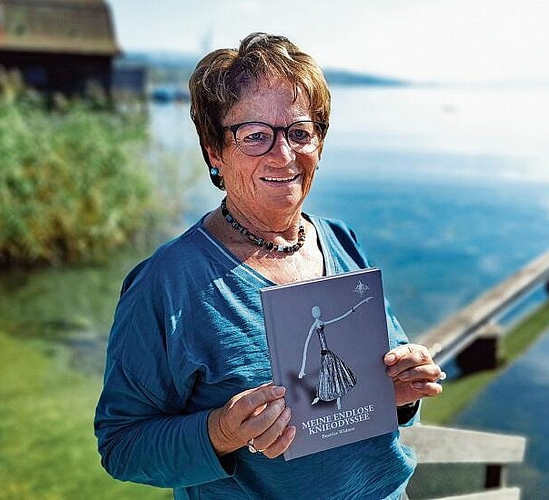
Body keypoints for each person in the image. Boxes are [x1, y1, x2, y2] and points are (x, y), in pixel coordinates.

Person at [94, 32, 444, 500]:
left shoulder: (340, 241)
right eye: (255, 136)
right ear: (215, 150)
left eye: (300, 132)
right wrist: (219, 432)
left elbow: (382, 384)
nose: (283, 155)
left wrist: (401, 392)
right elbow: (121, 446)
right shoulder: (166, 284)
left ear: (319, 143)